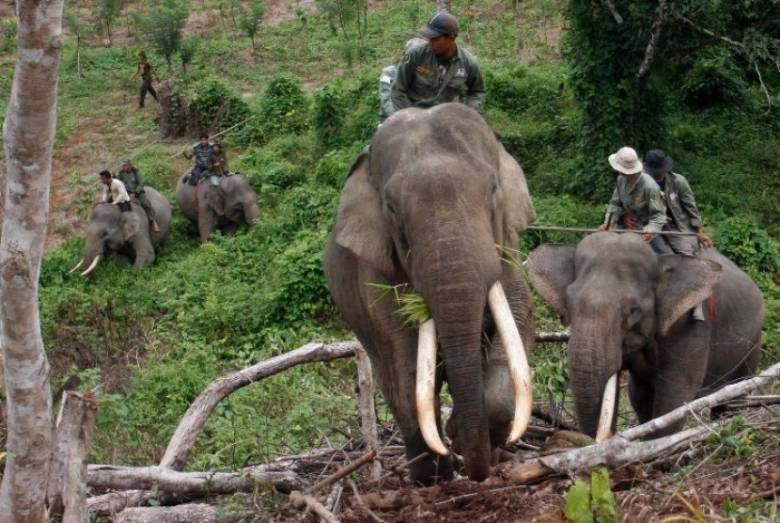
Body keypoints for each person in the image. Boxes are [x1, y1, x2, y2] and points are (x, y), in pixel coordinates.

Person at [389, 11, 485, 117]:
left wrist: (468, 114)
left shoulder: (469, 63)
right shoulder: (414, 55)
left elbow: (477, 92)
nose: (430, 42)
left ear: (452, 37)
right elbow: (398, 89)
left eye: (435, 39)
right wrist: (411, 117)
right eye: (429, 38)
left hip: (449, 119)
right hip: (416, 116)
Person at [641, 149, 713, 255]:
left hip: (678, 225)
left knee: (689, 249)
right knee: (665, 253)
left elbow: (691, 207)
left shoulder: (678, 181)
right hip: (653, 225)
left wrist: (700, 232)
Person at [597, 146, 667, 241]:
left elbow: (658, 216)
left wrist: (650, 230)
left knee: (663, 253)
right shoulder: (620, 180)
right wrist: (608, 224)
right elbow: (615, 204)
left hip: (644, 229)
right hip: (625, 226)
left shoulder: (651, 187)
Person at [378, 37, 426, 124]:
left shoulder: (425, 75)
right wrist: (404, 120)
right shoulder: (389, 73)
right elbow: (387, 101)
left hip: (417, 122)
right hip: (391, 122)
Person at [117, 159, 160, 232]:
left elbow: (141, 183)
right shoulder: (121, 173)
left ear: (129, 165)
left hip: (137, 192)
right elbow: (118, 182)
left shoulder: (136, 172)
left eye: (124, 165)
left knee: (145, 203)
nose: (123, 167)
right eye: (122, 166)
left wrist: (135, 193)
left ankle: (153, 221)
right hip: (127, 192)